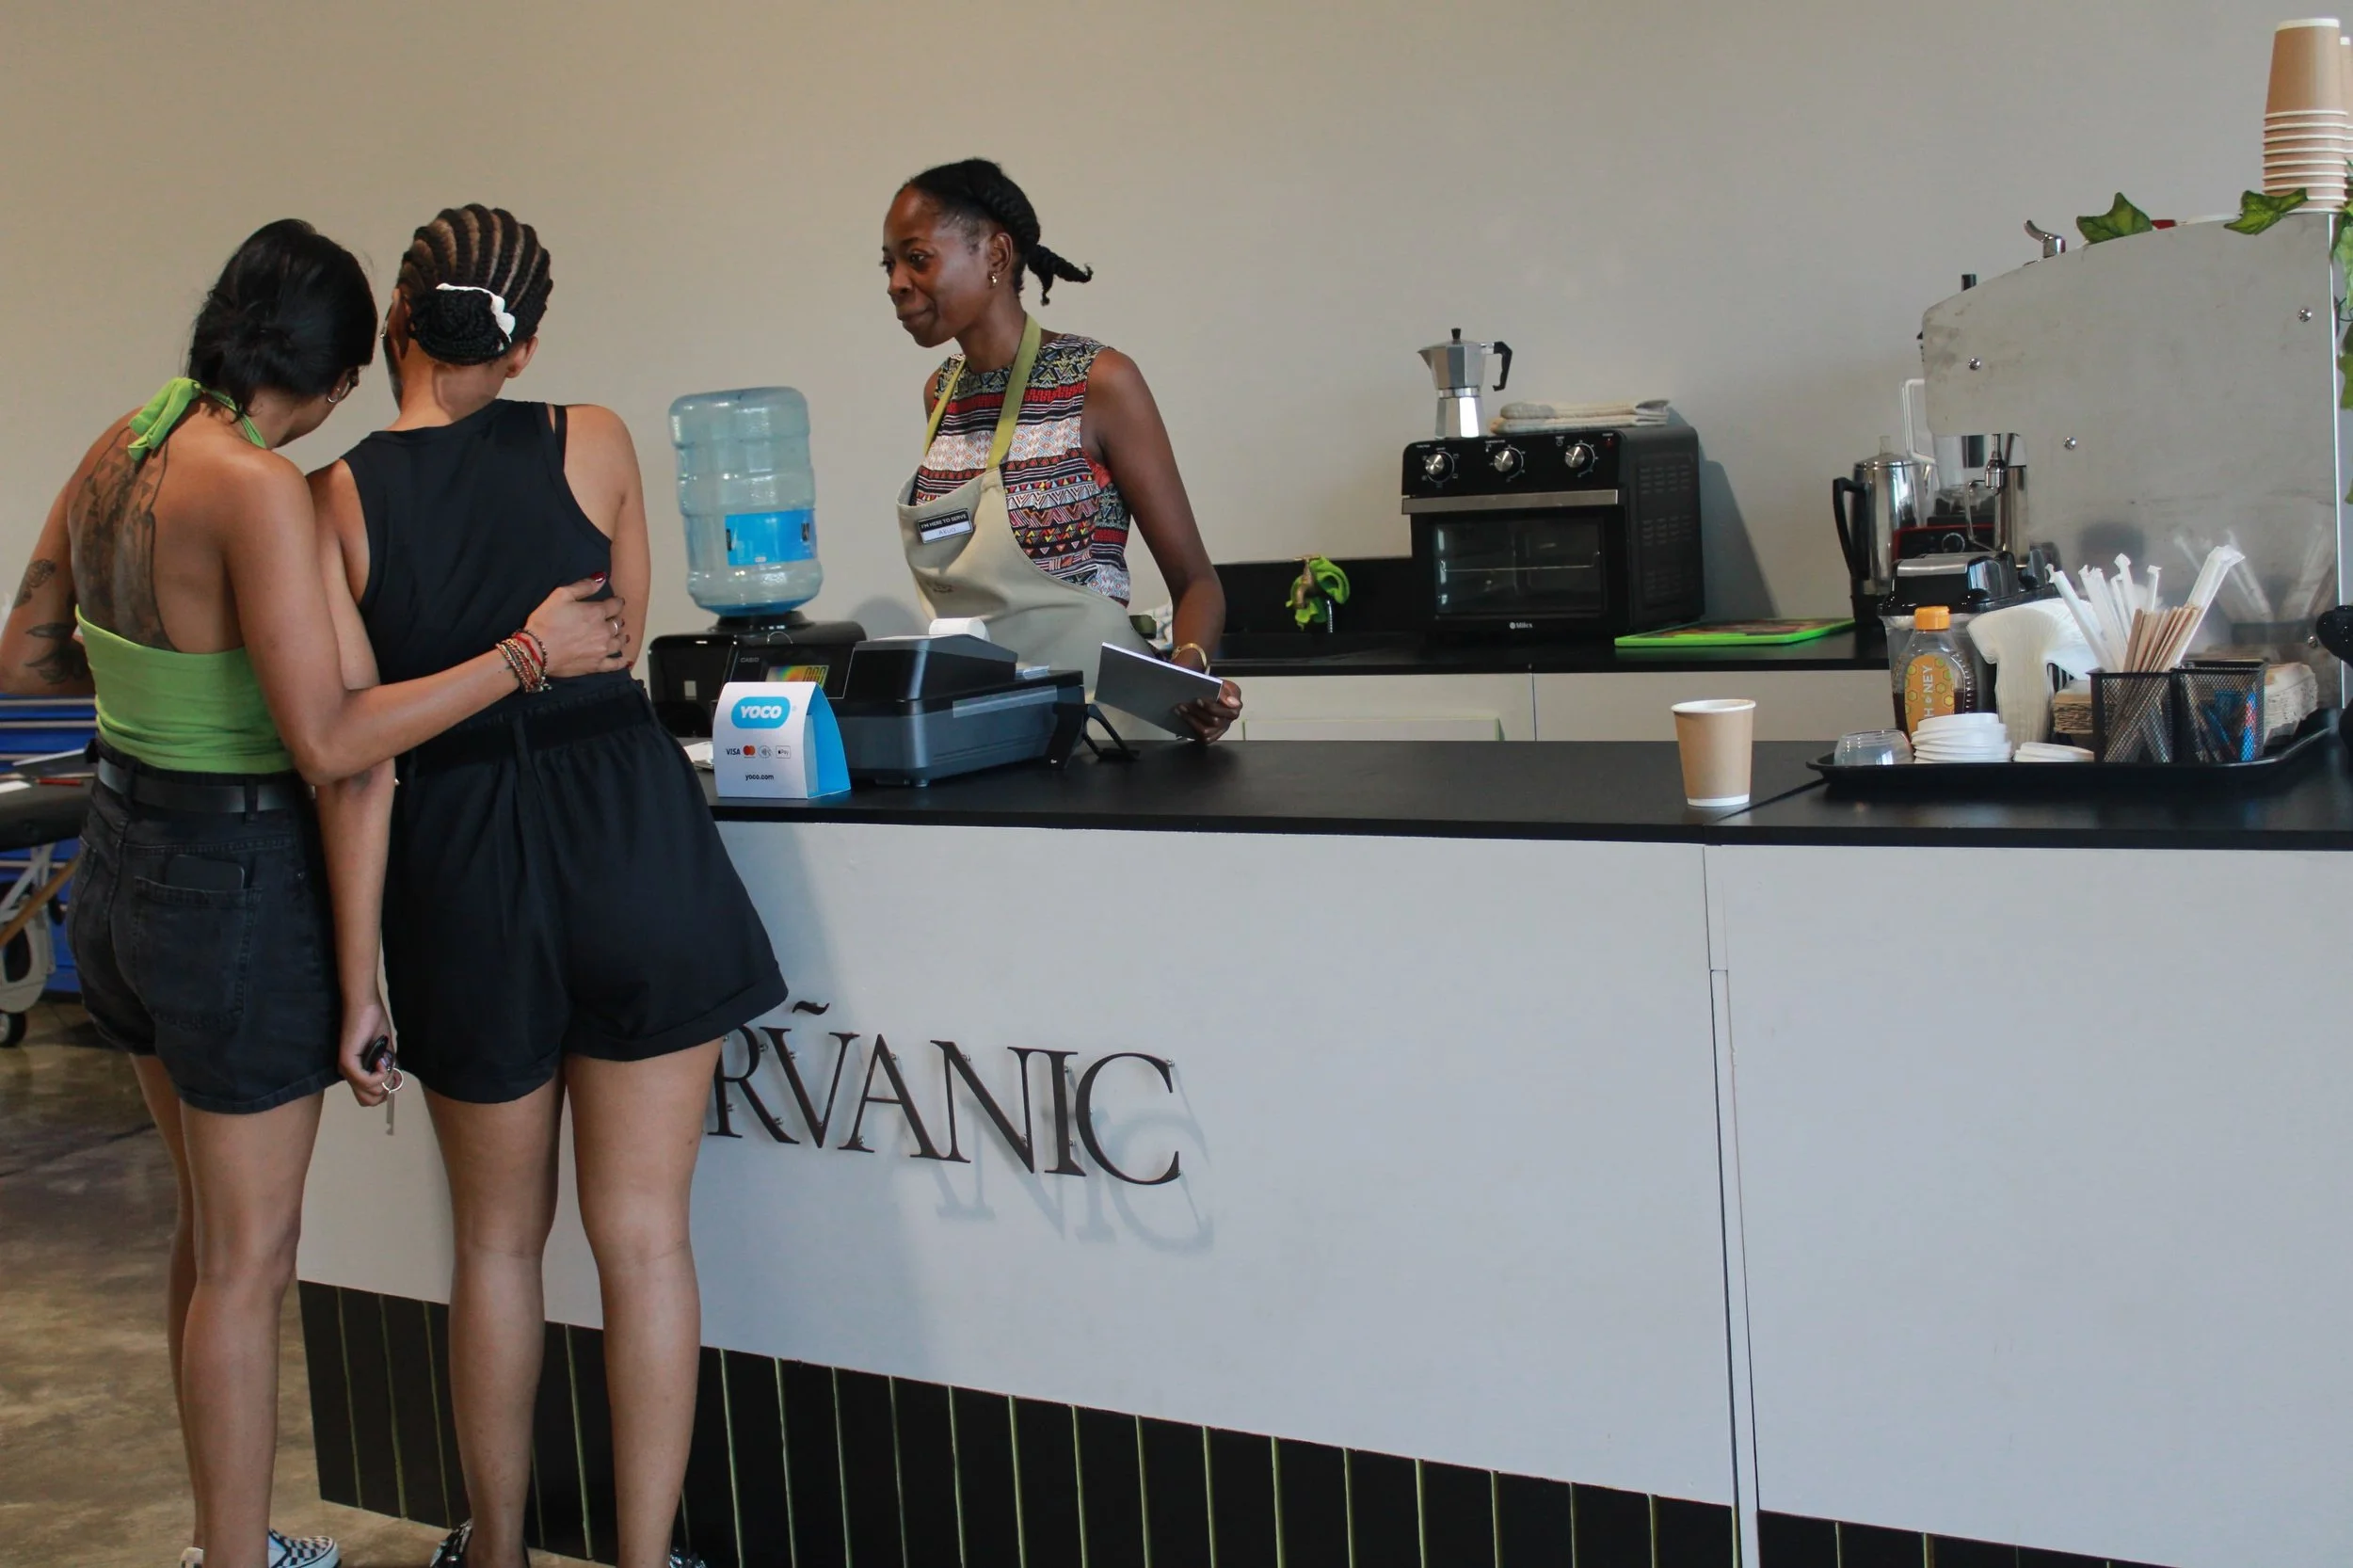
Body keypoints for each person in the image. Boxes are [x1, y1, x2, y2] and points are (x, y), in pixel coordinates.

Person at [0, 220, 629, 1568]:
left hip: (113, 871)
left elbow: (31, 651)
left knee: (207, 1237)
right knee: (248, 1260)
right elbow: (339, 742)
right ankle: (232, 1559)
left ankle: (225, 1538)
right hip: (225, 892)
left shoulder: (124, 443)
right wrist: (527, 654)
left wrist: (173, 701)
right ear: (345, 369)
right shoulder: (255, 489)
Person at [310, 204, 783, 1568]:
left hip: (460, 864)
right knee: (642, 1241)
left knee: (498, 1249)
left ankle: (498, 1549)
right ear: (524, 347)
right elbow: (623, 639)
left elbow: (358, 760)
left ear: (399, 313)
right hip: (626, 836)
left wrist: (358, 985)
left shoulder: (331, 503)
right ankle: (645, 1557)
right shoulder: (597, 438)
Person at [882, 157, 1245, 739]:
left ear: (996, 256)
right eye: (890, 264)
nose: (897, 282)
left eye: (917, 259)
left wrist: (1190, 669)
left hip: (1111, 737)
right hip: (985, 738)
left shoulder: (1099, 381)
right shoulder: (941, 395)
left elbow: (1197, 582)